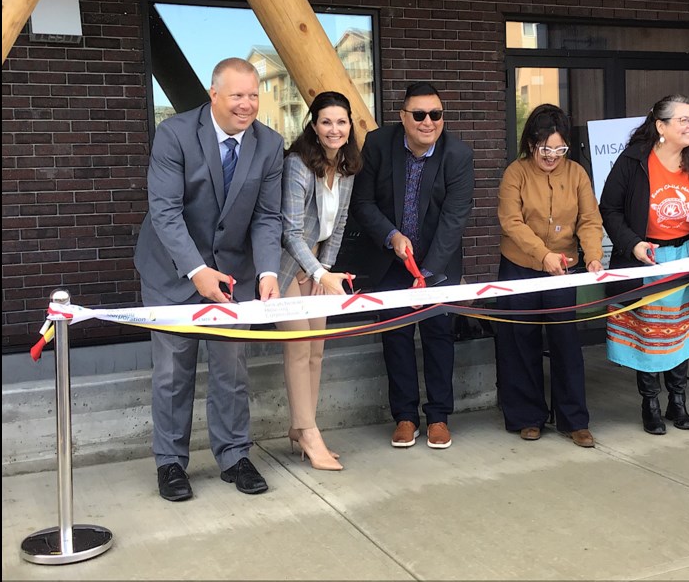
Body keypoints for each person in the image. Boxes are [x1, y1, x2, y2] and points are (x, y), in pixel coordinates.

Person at [134, 57, 284, 501]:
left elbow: (267, 216)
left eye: (254, 95)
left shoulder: (270, 144)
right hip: (171, 272)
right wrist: (197, 271)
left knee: (231, 370)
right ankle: (170, 464)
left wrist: (270, 270)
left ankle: (235, 454)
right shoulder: (175, 134)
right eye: (237, 95)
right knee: (172, 374)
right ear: (214, 94)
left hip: (233, 276)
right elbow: (165, 210)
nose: (247, 104)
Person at [349, 81, 474, 450]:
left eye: (435, 114)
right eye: (418, 114)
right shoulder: (377, 145)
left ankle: (438, 416)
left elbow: (455, 219)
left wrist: (428, 274)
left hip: (437, 263)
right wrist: (391, 235)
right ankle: (405, 416)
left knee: (438, 337)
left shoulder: (458, 155)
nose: (427, 122)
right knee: (397, 338)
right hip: (390, 260)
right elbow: (363, 203)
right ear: (403, 117)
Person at [599, 94, 689, 435]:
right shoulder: (633, 161)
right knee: (648, 333)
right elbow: (609, 209)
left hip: (687, 257)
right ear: (661, 126)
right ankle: (650, 403)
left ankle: (678, 401)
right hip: (647, 259)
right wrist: (633, 244)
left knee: (679, 334)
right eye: (683, 120)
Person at [495, 104, 603, 448]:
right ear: (531, 145)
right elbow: (511, 222)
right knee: (519, 341)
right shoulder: (516, 173)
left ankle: (574, 420)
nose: (552, 156)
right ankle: (528, 417)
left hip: (563, 268)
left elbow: (589, 220)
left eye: (559, 149)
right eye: (546, 149)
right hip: (520, 267)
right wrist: (543, 256)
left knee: (565, 342)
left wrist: (594, 258)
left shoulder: (577, 174)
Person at [275, 91, 362, 471]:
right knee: (297, 346)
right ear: (313, 125)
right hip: (282, 264)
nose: (334, 129)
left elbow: (338, 224)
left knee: (316, 349)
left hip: (315, 264)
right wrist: (319, 273)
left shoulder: (346, 166)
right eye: (326, 121)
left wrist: (323, 268)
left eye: (341, 122)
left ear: (350, 127)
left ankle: (301, 426)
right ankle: (310, 434)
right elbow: (290, 231)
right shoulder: (297, 164)